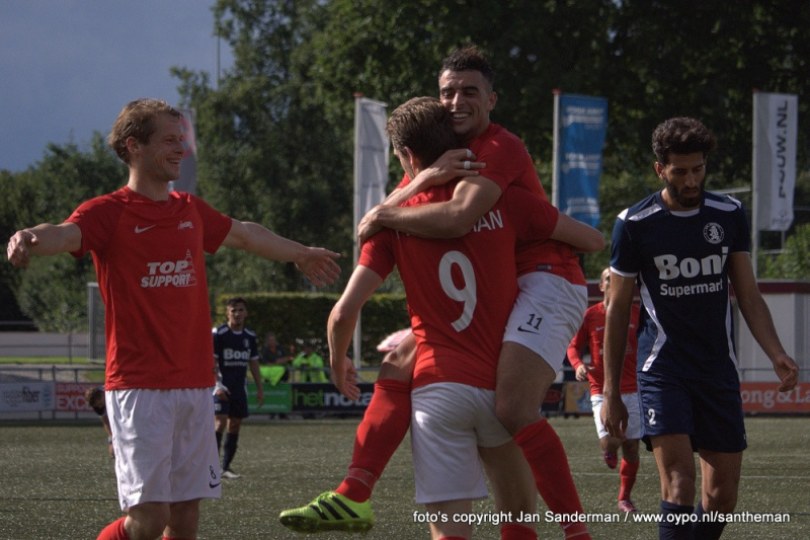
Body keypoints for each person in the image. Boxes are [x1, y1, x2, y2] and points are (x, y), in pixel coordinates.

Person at [282, 45, 602, 539]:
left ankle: (576, 532)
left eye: (468, 91)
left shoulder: (499, 150)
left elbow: (456, 219)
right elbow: (591, 236)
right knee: (408, 358)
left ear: (492, 100)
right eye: (447, 92)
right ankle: (353, 492)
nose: (456, 101)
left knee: (510, 410)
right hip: (496, 312)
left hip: (546, 280)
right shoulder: (468, 190)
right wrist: (421, 182)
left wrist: (389, 209)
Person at [6, 98, 341, 540]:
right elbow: (65, 233)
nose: (181, 148)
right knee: (149, 520)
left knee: (184, 521)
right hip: (139, 386)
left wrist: (300, 253)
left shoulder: (189, 208)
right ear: (134, 146)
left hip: (196, 385)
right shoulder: (108, 211)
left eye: (181, 138)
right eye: (169, 139)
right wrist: (28, 237)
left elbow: (243, 232)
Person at [601, 117, 799, 539]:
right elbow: (617, 311)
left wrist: (776, 353)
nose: (691, 180)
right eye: (680, 171)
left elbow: (748, 294)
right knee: (679, 481)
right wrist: (612, 391)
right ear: (660, 169)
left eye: (698, 169)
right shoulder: (635, 224)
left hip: (716, 370)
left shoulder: (728, 214)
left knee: (721, 496)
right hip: (663, 370)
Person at [566, 268, 641, 513]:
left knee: (631, 446)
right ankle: (609, 450)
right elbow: (573, 347)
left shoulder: (637, 314)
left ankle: (624, 498)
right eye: (609, 278)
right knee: (611, 441)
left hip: (634, 388)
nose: (615, 282)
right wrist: (578, 365)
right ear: (601, 286)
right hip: (602, 389)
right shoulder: (591, 316)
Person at [213, 297, 264, 479]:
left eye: (241, 310)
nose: (237, 314)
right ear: (227, 313)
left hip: (239, 388)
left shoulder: (249, 337)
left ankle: (225, 467)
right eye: (233, 310)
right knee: (219, 422)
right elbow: (212, 361)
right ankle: (211, 466)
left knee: (234, 425)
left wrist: (259, 388)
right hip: (220, 386)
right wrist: (216, 384)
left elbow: (254, 363)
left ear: (246, 313)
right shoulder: (218, 333)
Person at [85, 385, 114, 458]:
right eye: (97, 405)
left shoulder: (112, 393)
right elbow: (106, 422)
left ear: (102, 395)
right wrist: (111, 440)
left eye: (99, 403)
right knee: (113, 451)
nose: (99, 406)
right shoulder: (97, 407)